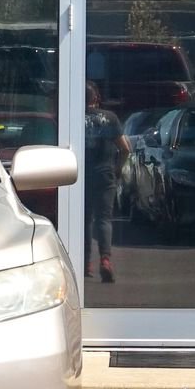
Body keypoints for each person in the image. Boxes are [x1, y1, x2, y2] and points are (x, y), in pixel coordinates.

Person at [84, 81, 131, 282]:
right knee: (104, 218)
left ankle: (85, 263)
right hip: (105, 173)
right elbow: (125, 148)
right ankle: (105, 259)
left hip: (80, 175)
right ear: (97, 97)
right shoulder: (110, 118)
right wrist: (118, 168)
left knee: (84, 220)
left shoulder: (71, 115)